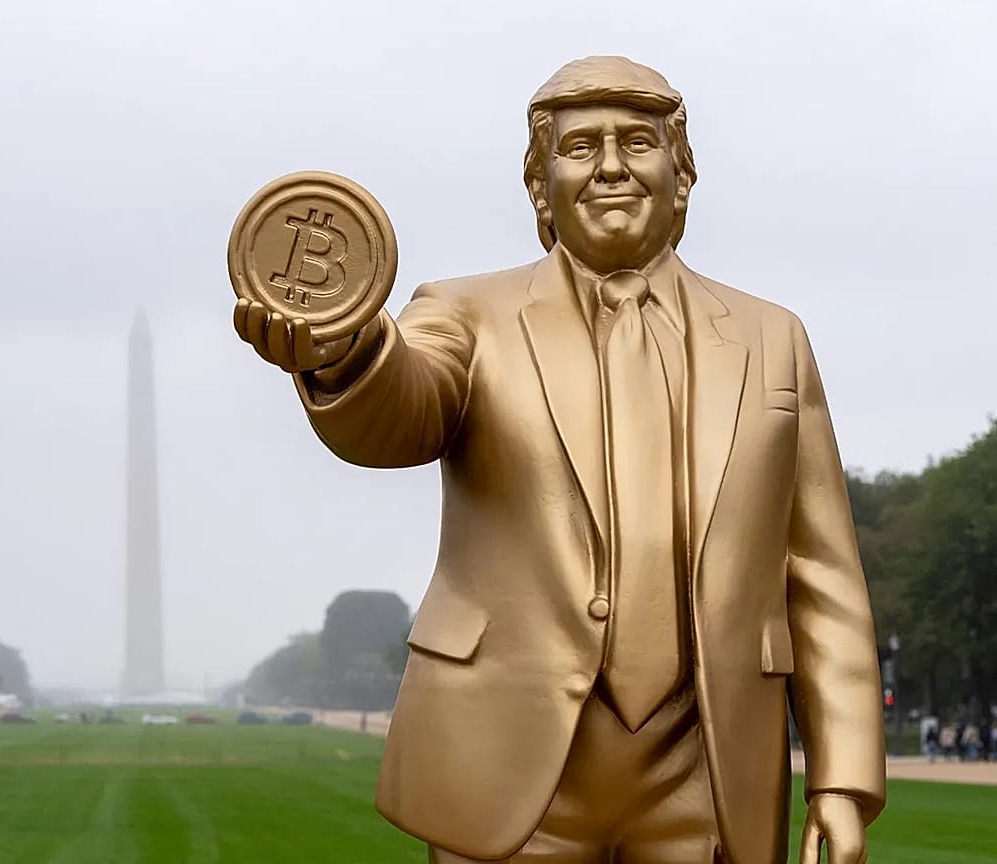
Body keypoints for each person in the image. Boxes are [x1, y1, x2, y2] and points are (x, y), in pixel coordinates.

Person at [235, 55, 885, 864]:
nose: (612, 166)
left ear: (681, 177)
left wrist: (843, 778)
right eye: (580, 148)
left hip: (707, 766)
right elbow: (401, 407)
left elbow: (822, 575)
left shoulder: (773, 339)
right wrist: (346, 353)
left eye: (639, 143)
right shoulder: (464, 315)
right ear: (540, 188)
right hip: (509, 756)